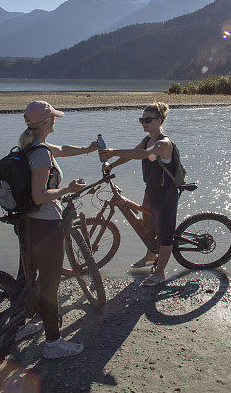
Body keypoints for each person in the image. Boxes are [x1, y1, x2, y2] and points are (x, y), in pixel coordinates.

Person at [17, 100, 98, 358]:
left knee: (31, 278)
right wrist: (68, 189)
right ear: (45, 122)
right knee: (50, 285)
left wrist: (89, 149)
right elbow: (40, 196)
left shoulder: (32, 146)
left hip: (27, 223)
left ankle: (28, 321)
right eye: (53, 117)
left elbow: (61, 149)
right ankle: (53, 344)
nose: (56, 120)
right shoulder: (40, 153)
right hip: (46, 225)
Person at [98, 102, 179, 287]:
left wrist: (112, 151)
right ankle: (151, 255)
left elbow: (143, 154)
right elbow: (132, 154)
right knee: (148, 225)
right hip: (151, 190)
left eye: (148, 120)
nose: (144, 123)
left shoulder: (163, 143)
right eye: (142, 120)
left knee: (165, 234)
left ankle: (160, 274)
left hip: (166, 194)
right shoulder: (146, 139)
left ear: (159, 120)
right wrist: (113, 164)